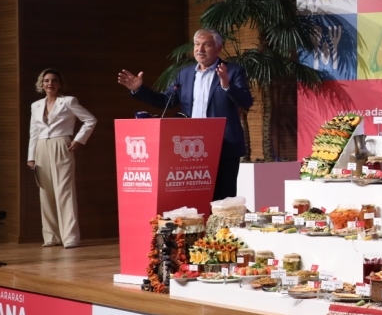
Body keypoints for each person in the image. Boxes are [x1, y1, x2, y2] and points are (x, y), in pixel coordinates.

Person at [118, 29, 253, 199]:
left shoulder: (232, 71)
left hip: (223, 145)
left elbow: (246, 101)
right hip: (190, 147)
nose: (200, 49)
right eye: (197, 44)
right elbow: (166, 101)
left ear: (218, 48)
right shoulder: (185, 74)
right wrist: (139, 89)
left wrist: (226, 84)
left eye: (206, 45)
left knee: (223, 198)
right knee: (194, 198)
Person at [27, 68, 97, 248]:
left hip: (61, 144)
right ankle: (51, 237)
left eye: (54, 80)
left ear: (60, 84)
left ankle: (70, 237)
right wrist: (31, 156)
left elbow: (90, 120)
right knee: (45, 192)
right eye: (46, 80)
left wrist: (78, 139)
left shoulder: (68, 101)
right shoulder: (36, 105)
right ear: (41, 84)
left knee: (64, 191)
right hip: (41, 147)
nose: (50, 83)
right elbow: (34, 132)